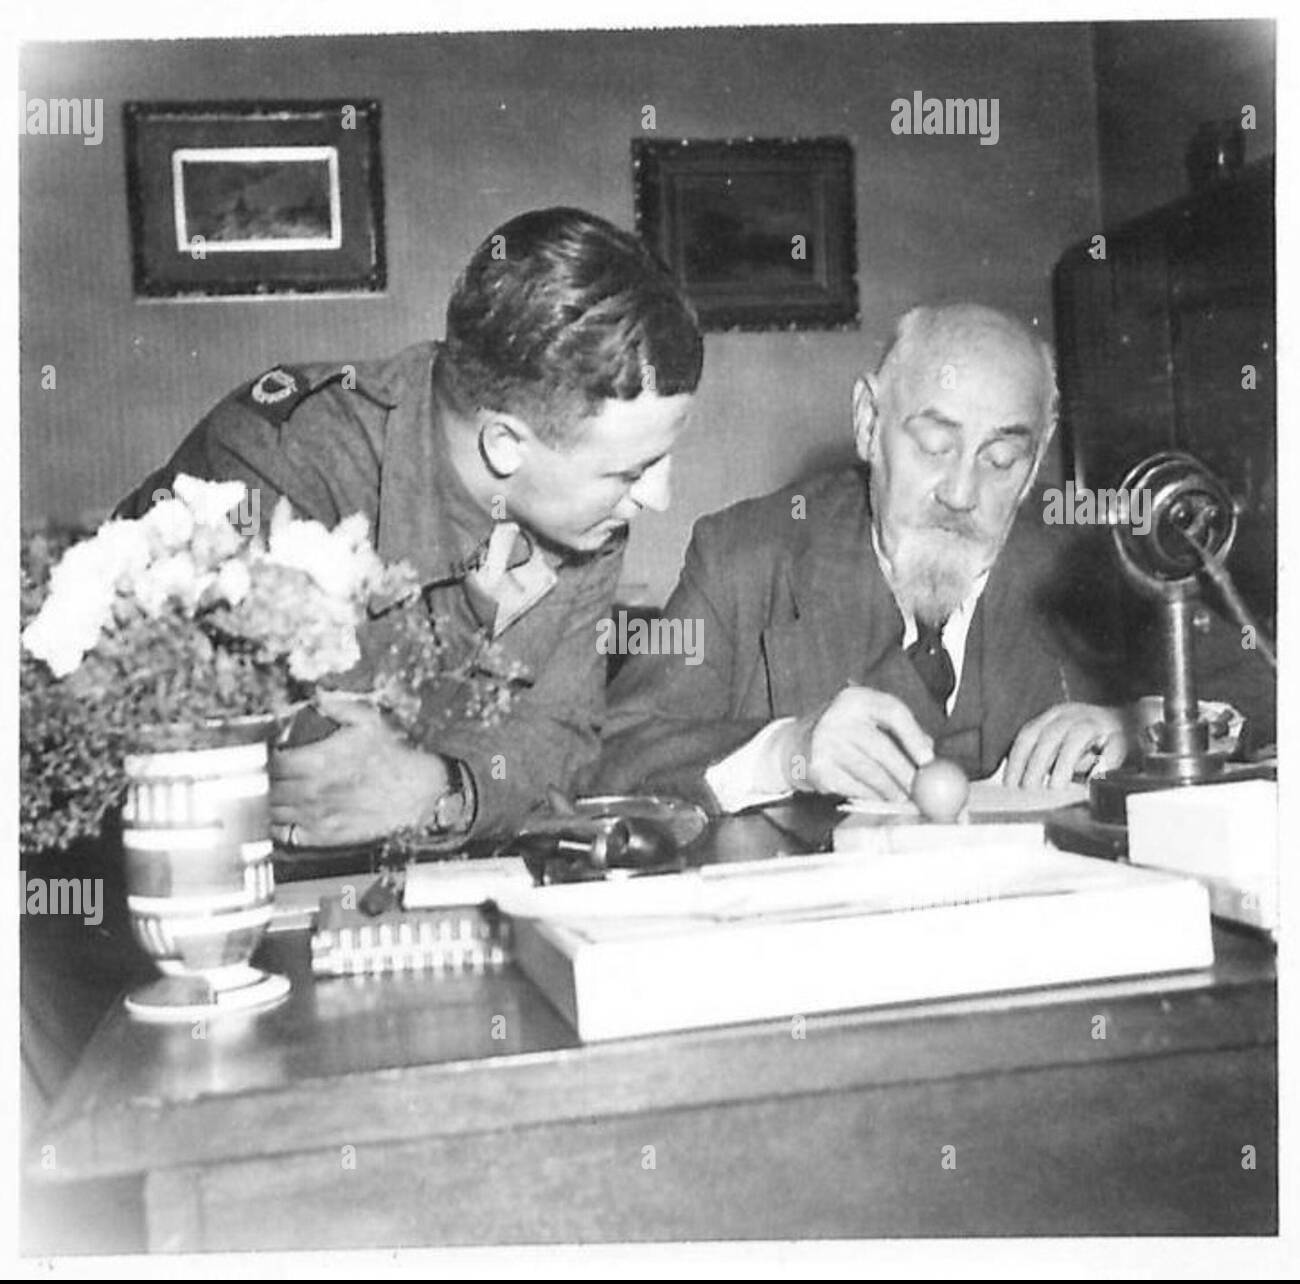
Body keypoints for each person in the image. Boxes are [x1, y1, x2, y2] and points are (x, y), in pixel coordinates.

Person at [115, 207, 702, 847]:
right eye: (630, 472)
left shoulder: (587, 511)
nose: (659, 496)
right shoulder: (279, 459)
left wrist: (442, 787)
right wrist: (450, 762)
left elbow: (563, 737)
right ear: (505, 445)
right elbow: (302, 769)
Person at [595, 302, 1127, 810]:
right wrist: (785, 754)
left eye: (1001, 459)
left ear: (1036, 460)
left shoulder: (1089, 569)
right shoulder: (744, 559)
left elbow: (1206, 692)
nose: (961, 494)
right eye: (935, 447)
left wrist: (1135, 727)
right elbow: (612, 757)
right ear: (869, 423)